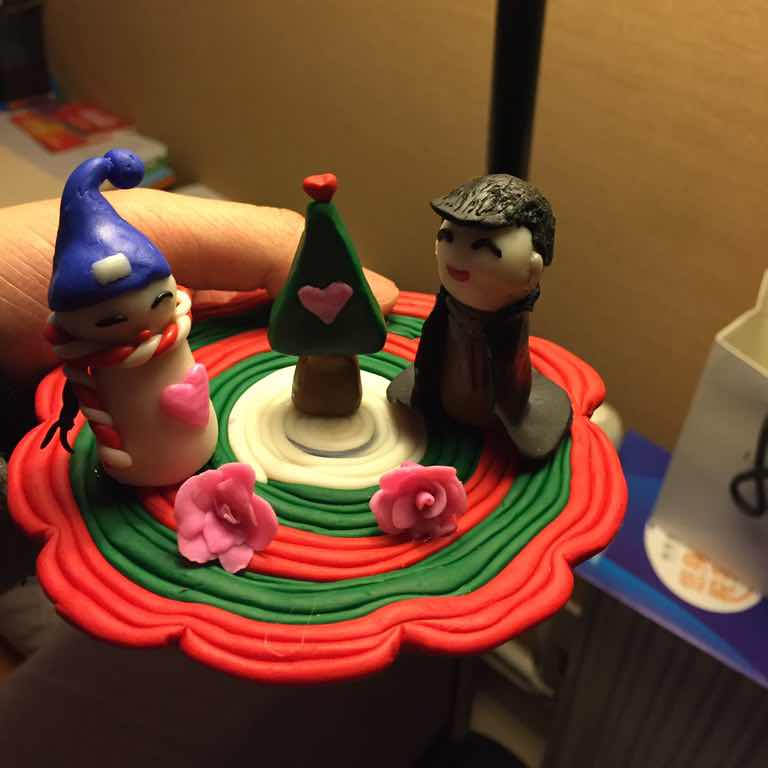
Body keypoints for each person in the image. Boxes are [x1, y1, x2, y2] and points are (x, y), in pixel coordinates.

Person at [0, 189, 453, 768]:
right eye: (108, 317)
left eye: (155, 298)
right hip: (140, 475)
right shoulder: (99, 364)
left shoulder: (168, 339)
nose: (134, 318)